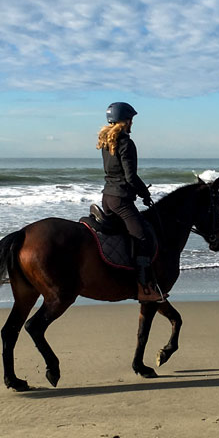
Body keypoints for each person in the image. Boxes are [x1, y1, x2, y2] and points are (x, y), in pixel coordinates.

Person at [97, 102, 165, 301]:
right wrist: (145, 193)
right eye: (131, 120)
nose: (132, 123)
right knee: (142, 236)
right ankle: (144, 288)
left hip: (107, 198)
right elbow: (130, 177)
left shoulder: (106, 141)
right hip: (121, 199)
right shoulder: (126, 143)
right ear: (124, 121)